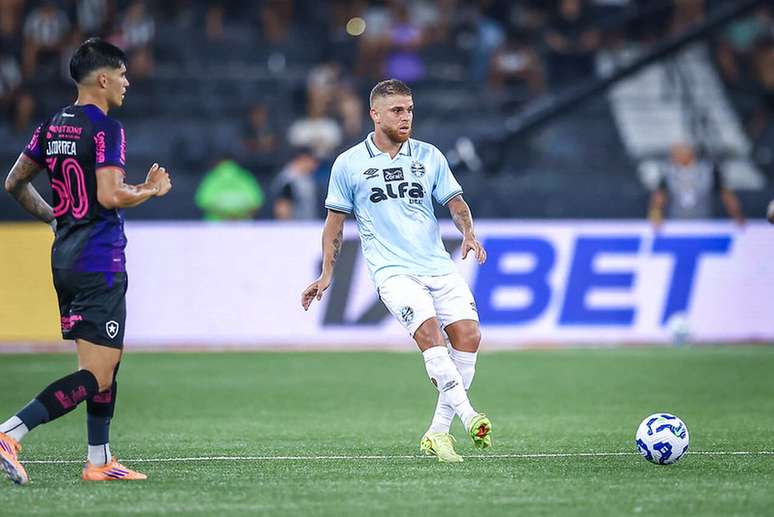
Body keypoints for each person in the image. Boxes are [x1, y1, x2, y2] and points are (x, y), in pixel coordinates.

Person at [0, 38, 171, 485]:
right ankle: (9, 433)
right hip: (99, 257)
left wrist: (56, 219)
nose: (127, 83)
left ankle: (99, 460)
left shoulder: (52, 126)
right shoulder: (105, 128)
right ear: (102, 79)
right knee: (96, 374)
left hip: (67, 256)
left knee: (105, 365)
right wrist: (151, 189)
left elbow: (15, 183)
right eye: (122, 75)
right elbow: (110, 195)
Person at [301, 79, 491, 463]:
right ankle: (470, 416)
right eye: (397, 111)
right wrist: (326, 274)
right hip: (393, 271)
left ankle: (438, 433)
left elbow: (456, 203)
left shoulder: (429, 156)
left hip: (438, 264)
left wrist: (469, 233)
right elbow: (334, 226)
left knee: (469, 336)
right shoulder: (349, 163)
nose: (406, 117)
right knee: (430, 334)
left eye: (409, 110)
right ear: (375, 114)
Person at [647, 143, 745, 229]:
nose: (673, 156)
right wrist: (655, 216)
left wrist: (737, 215)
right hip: (676, 223)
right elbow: (659, 197)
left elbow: (726, 194)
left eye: (677, 153)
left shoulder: (708, 170)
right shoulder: (668, 172)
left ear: (689, 154)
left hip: (705, 223)